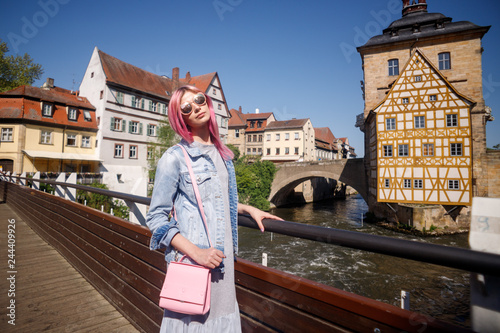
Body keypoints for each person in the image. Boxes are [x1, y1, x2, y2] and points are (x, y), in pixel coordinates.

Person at [146, 85, 283, 332]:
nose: (196, 107)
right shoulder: (174, 158)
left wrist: (248, 208)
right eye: (186, 108)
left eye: (198, 99)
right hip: (196, 264)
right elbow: (155, 218)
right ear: (181, 119)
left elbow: (216, 201)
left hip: (223, 263)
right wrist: (197, 253)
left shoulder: (223, 155)